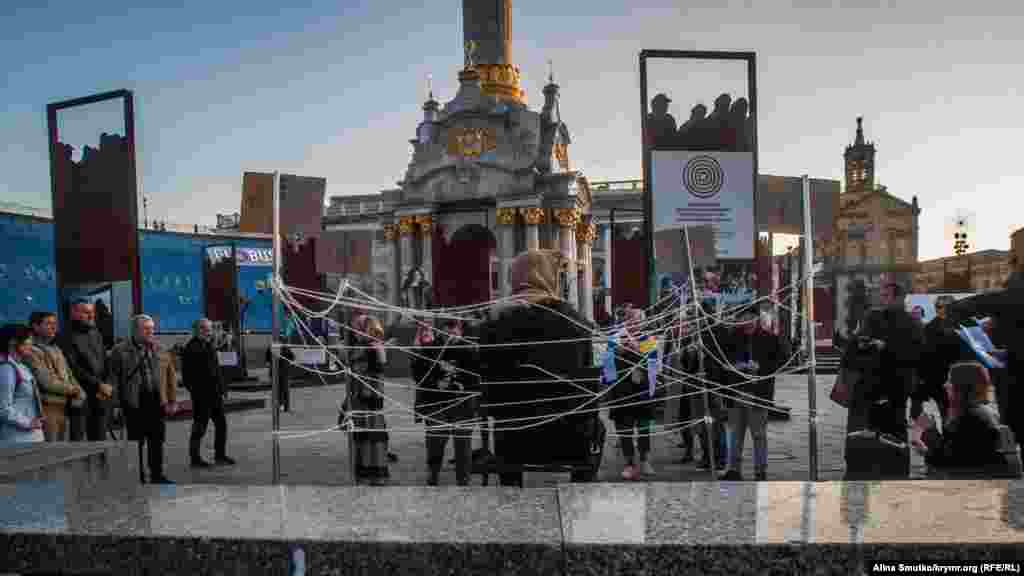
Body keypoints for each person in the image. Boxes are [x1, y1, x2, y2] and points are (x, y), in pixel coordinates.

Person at [479, 250, 601, 486]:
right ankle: (583, 491)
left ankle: (510, 491)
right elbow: (592, 385)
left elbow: (487, 382)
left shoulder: (495, 323)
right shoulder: (579, 323)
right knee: (596, 428)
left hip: (514, 436)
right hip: (571, 434)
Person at [109, 315, 174, 484]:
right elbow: (114, 379)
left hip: (156, 400)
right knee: (135, 441)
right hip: (134, 401)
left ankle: (157, 474)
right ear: (135, 330)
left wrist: (172, 400)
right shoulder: (120, 350)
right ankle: (137, 476)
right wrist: (116, 404)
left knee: (157, 440)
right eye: (146, 329)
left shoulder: (160, 348)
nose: (151, 332)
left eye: (152, 328)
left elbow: (170, 376)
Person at [412, 318, 478, 486]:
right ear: (440, 329)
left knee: (463, 441)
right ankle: (433, 474)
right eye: (448, 327)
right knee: (436, 439)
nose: (452, 331)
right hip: (436, 402)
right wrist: (435, 384)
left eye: (455, 327)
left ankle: (463, 481)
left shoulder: (469, 349)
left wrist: (462, 385)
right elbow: (418, 375)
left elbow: (476, 377)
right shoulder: (430, 349)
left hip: (462, 403)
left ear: (461, 330)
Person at [856, 282, 924, 441]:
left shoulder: (912, 322)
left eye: (887, 296)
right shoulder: (873, 316)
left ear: (900, 298)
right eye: (882, 296)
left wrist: (887, 346)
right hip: (876, 377)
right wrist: (863, 342)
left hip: (900, 379)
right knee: (875, 417)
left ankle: (898, 449)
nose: (883, 300)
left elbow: (917, 351)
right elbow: (862, 341)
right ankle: (874, 438)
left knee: (896, 420)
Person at [607, 307, 661, 480]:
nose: (633, 323)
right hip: (621, 390)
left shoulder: (649, 338)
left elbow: (653, 360)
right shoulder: (616, 337)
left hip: (642, 390)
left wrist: (637, 348)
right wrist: (617, 351)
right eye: (630, 319)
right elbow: (607, 362)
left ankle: (645, 459)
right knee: (624, 427)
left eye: (637, 320)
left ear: (643, 322)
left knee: (644, 426)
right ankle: (629, 463)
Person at [25, 311, 84, 441]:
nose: (54, 327)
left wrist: (78, 390)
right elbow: (46, 382)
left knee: (62, 451)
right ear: (35, 326)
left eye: (55, 324)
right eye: (48, 323)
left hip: (63, 407)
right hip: (47, 409)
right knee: (51, 452)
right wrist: (73, 390)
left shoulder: (56, 348)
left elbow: (69, 375)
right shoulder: (31, 351)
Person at [184, 318, 235, 468]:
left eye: (209, 328)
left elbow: (216, 370)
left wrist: (222, 389)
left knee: (221, 425)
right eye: (206, 329)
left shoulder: (208, 345)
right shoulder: (191, 348)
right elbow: (187, 376)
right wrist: (196, 392)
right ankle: (195, 458)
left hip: (215, 394)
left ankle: (220, 455)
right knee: (200, 427)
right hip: (202, 396)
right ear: (198, 330)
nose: (209, 331)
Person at [59, 299, 112, 441]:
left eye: (92, 312)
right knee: (79, 442)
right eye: (87, 313)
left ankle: (101, 464)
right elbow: (73, 367)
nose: (91, 316)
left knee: (100, 440)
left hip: (100, 395)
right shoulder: (65, 336)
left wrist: (107, 383)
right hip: (80, 396)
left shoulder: (96, 333)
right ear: (74, 313)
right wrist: (98, 384)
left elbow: (105, 361)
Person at [348, 316, 390, 484]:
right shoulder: (364, 347)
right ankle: (367, 471)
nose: (356, 332)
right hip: (363, 399)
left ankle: (372, 472)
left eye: (358, 329)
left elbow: (375, 369)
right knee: (365, 436)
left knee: (371, 437)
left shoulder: (372, 347)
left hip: (369, 399)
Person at [0, 324, 46, 444]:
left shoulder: (23, 367)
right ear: (13, 342)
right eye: (28, 340)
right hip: (17, 439)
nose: (31, 344)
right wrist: (28, 423)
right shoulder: (6, 368)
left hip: (33, 436)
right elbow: (3, 408)